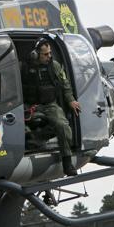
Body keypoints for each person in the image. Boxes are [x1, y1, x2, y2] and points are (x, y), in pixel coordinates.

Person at [21, 38, 81, 176]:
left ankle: (67, 162)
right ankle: (32, 141)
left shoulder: (54, 66)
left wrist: (71, 100)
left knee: (62, 126)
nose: (49, 56)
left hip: (50, 105)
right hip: (29, 106)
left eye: (50, 53)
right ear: (36, 54)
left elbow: (65, 84)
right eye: (45, 54)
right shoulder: (25, 67)